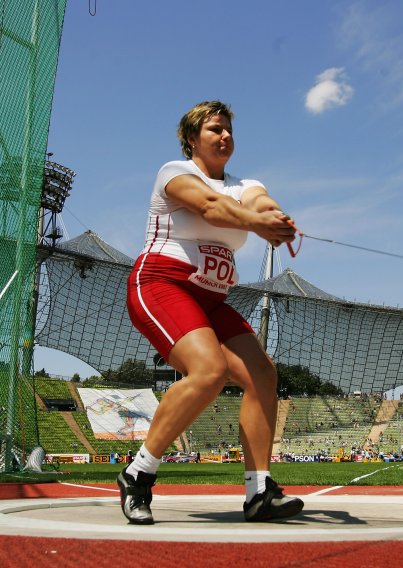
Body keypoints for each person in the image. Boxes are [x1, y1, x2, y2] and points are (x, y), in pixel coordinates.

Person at [118, 100, 302, 525]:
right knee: (208, 369)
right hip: (161, 285)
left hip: (211, 298)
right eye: (214, 129)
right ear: (191, 140)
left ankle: (259, 492)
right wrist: (258, 224)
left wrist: (276, 218)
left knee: (263, 374)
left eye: (229, 131)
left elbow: (261, 201)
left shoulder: (244, 184)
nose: (225, 136)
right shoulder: (175, 173)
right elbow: (210, 208)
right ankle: (138, 473)